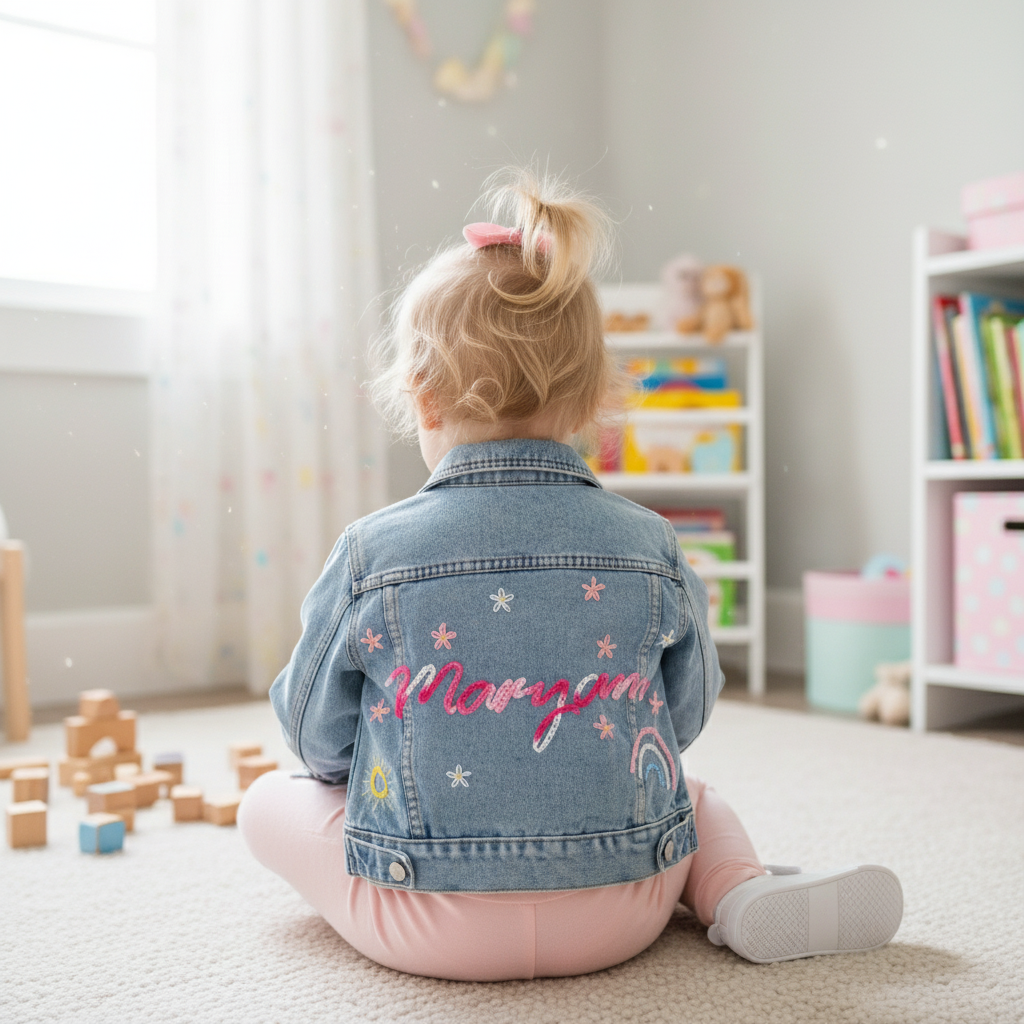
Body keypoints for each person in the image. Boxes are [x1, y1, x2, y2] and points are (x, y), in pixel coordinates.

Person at [238, 170, 902, 981]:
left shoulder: (373, 553)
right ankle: (735, 892)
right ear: (594, 399)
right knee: (693, 797)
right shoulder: (649, 544)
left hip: (428, 923)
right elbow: (682, 715)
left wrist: (368, 784)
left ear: (423, 398)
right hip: (626, 906)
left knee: (267, 801)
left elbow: (312, 730)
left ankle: (708, 886)